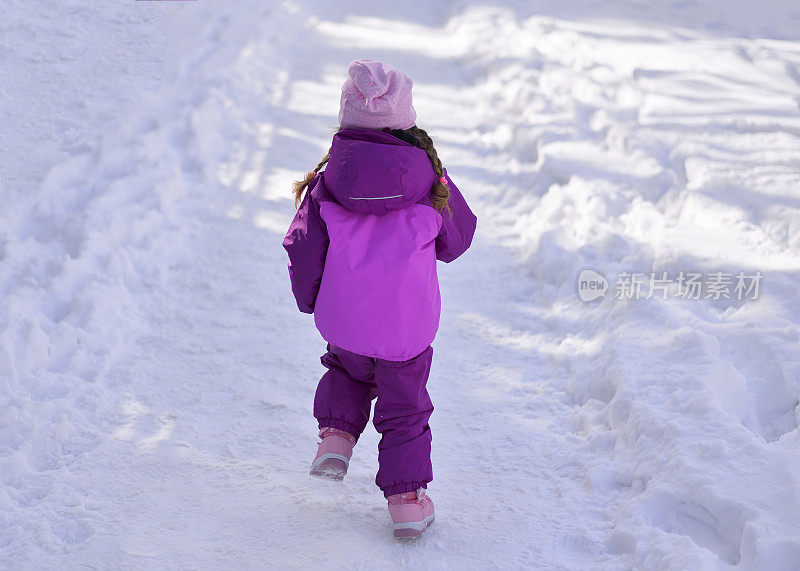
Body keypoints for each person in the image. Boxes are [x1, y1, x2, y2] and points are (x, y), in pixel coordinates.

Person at [282, 58, 477, 539]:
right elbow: (458, 240)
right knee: (405, 407)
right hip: (406, 328)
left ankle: (336, 437)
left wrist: (312, 301)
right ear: (407, 125)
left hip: (344, 318)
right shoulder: (431, 184)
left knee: (347, 368)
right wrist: (441, 185)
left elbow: (302, 247)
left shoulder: (328, 183)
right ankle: (407, 503)